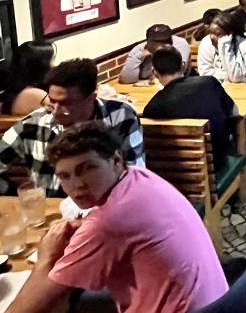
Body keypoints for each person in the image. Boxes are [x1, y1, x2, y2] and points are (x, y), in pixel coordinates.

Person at [7, 122, 227, 313]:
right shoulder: (140, 177)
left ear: (116, 160)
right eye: (65, 176)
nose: (76, 185)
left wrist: (45, 255)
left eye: (88, 168)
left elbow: (29, 307)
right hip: (218, 303)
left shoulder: (107, 221)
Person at [0, 59, 144, 196]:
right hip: (51, 212)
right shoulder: (33, 124)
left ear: (90, 99)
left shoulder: (120, 117)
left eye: (65, 103)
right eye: (52, 101)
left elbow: (135, 176)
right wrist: (7, 191)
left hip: (105, 210)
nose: (55, 110)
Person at [144, 46, 239, 172]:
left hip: (174, 171)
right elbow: (234, 112)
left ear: (154, 72)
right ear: (183, 65)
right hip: (216, 163)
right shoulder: (209, 83)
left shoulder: (153, 107)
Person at [118, 24, 190, 84]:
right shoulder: (139, 49)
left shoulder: (179, 44)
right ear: (148, 41)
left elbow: (176, 74)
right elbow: (126, 79)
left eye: (165, 41)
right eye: (156, 41)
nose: (162, 44)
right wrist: (140, 56)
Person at [0, 41, 55, 115]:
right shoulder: (37, 95)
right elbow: (61, 121)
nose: (54, 65)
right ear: (41, 65)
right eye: (52, 60)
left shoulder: (15, 90)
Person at [210, 11, 246, 84]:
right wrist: (225, 77)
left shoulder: (245, 45)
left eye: (217, 34)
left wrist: (225, 48)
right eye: (210, 33)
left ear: (229, 34)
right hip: (225, 88)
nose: (212, 37)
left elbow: (237, 78)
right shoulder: (208, 43)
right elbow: (206, 72)